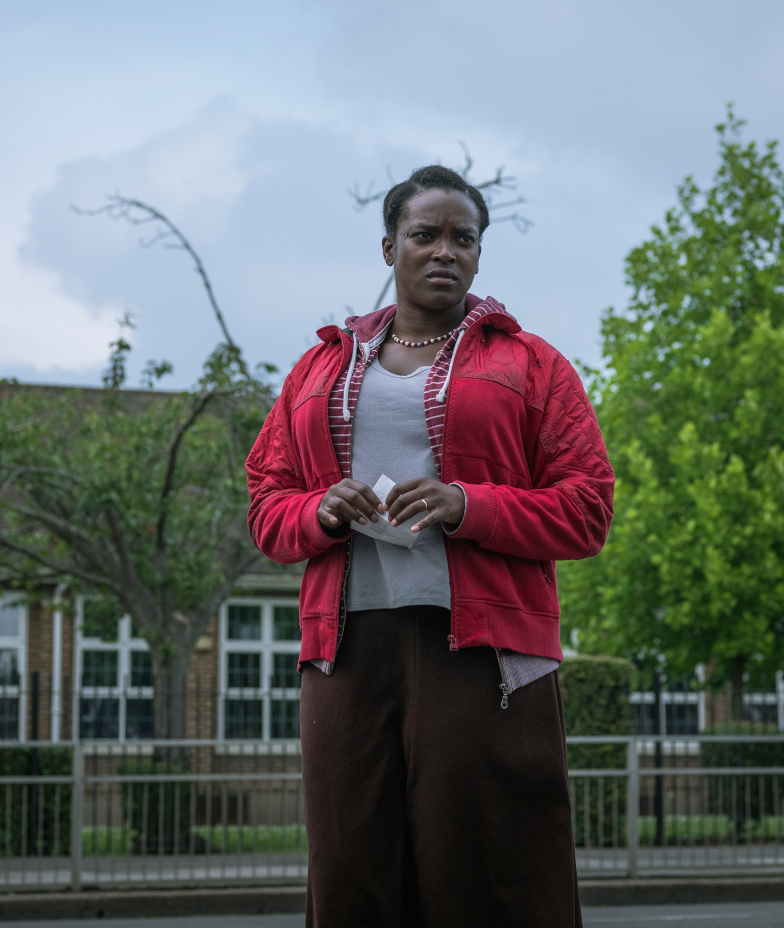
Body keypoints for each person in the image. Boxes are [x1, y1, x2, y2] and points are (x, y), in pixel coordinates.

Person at [246, 164, 614, 927]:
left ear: (480, 254)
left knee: (484, 866)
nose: (445, 250)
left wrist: (466, 504)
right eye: (425, 235)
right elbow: (267, 505)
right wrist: (322, 510)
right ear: (389, 247)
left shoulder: (532, 365)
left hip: (484, 650)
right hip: (344, 648)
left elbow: (587, 509)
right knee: (350, 868)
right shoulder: (318, 370)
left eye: (463, 238)